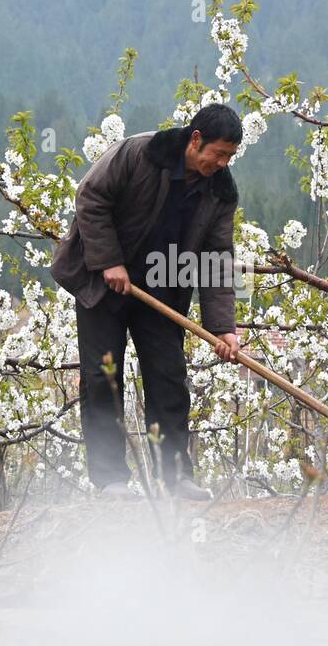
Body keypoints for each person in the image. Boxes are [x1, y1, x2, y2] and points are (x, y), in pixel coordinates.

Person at [50, 104, 243, 500]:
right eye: (218, 154)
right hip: (102, 284)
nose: (222, 164)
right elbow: (90, 198)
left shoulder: (220, 191)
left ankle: (175, 477)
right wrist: (109, 262)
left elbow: (217, 256)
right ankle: (111, 480)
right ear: (195, 140)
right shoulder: (138, 154)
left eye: (229, 157)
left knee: (169, 376)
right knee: (104, 377)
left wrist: (223, 327)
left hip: (162, 289)